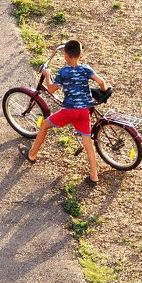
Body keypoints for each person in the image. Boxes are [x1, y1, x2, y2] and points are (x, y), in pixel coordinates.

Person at [23, 38, 107, 186]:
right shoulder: (86, 69)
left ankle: (32, 154)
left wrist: (47, 74)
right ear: (81, 55)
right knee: (88, 143)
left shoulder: (63, 72)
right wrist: (102, 92)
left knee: (44, 125)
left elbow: (50, 89)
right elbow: (101, 82)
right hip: (84, 111)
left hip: (70, 111)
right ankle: (94, 176)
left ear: (66, 56)